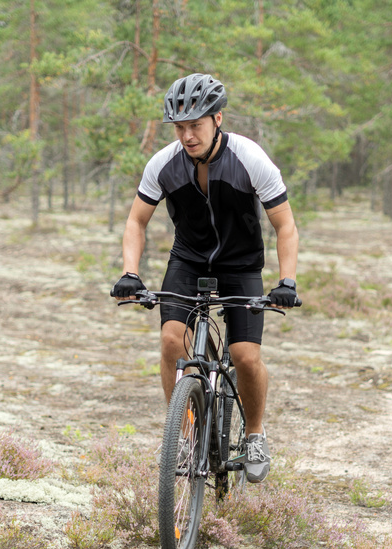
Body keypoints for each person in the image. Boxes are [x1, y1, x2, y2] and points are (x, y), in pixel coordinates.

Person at [110, 72, 300, 484]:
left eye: (195, 125)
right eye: (179, 127)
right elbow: (135, 221)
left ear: (217, 119)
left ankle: (254, 434)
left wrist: (287, 281)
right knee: (168, 341)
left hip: (241, 266)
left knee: (246, 356)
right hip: (188, 263)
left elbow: (285, 225)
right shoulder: (163, 164)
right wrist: (130, 273)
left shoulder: (250, 158)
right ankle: (181, 435)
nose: (187, 135)